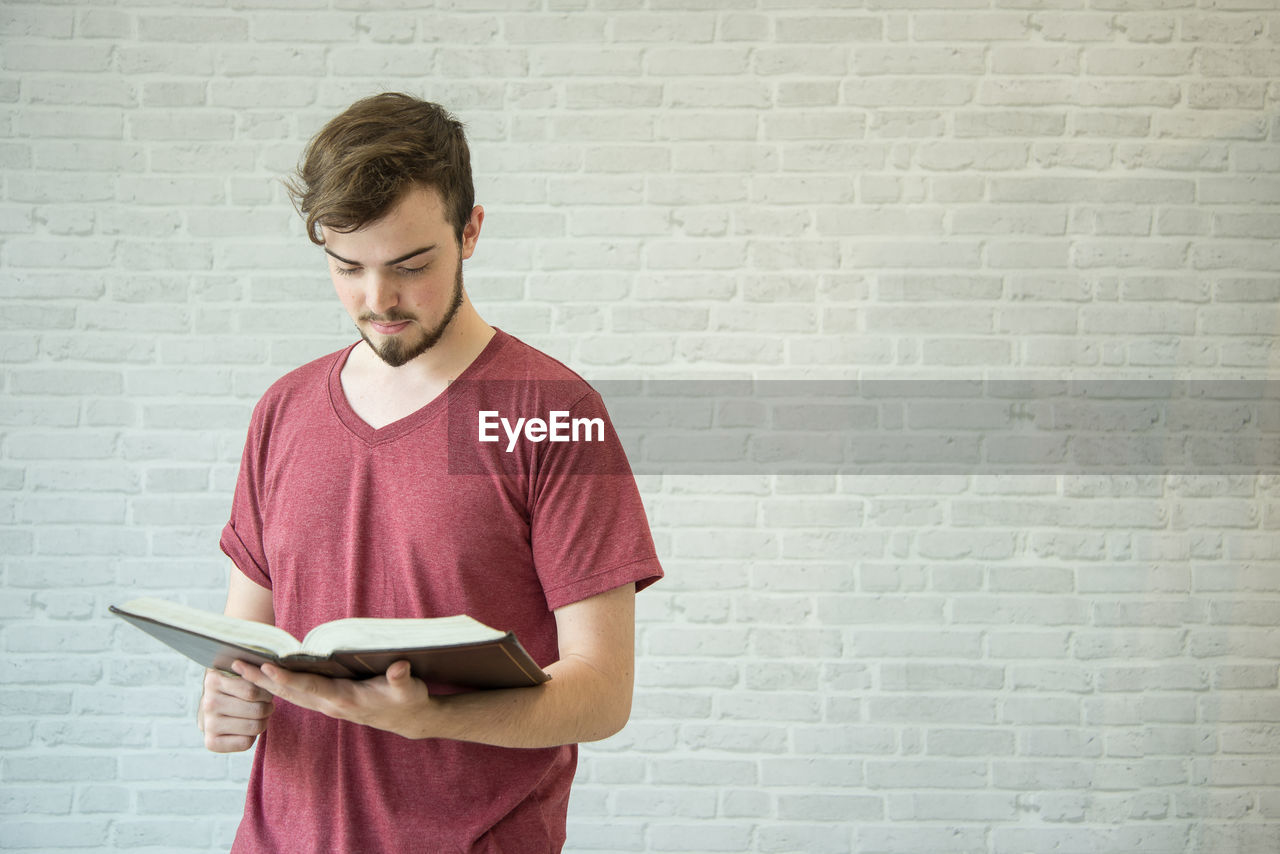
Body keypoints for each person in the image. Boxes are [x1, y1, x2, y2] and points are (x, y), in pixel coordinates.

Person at [196, 92, 663, 853]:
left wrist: (435, 719)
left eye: (410, 266)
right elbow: (246, 642)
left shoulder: (550, 411)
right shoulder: (283, 409)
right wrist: (225, 700)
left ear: (470, 231)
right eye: (346, 267)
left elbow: (603, 695)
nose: (377, 300)